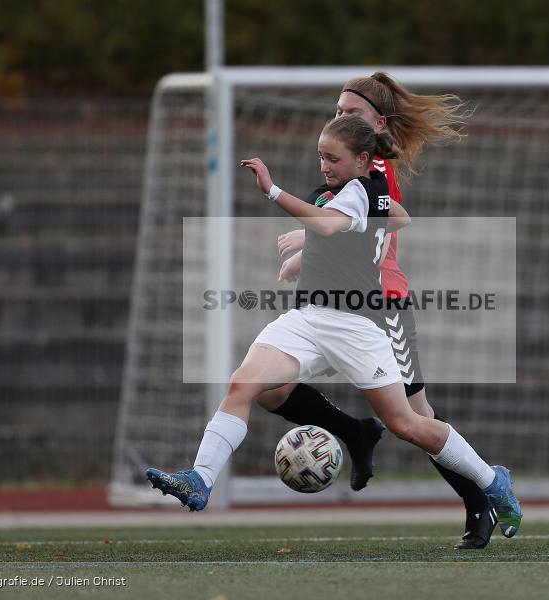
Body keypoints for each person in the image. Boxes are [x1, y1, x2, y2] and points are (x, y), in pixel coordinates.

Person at [145, 114, 523, 539]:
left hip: (357, 326)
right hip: (307, 319)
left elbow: (330, 223)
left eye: (334, 158)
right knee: (246, 386)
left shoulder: (361, 190)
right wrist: (316, 252)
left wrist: (271, 190)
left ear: (363, 160)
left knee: (407, 424)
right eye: (321, 156)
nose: (325, 165)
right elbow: (394, 219)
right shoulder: (352, 194)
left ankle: (493, 481)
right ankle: (201, 479)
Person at [260, 72, 498, 550]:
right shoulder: (347, 168)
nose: (340, 116)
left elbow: (370, 227)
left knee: (415, 418)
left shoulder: (373, 173)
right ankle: (355, 433)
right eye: (337, 108)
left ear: (377, 123)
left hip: (381, 306)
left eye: (351, 111)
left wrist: (305, 246)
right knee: (270, 387)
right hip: (335, 305)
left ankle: (482, 497)